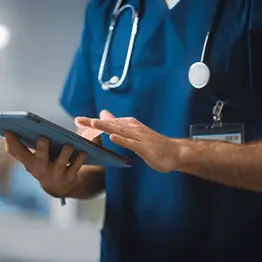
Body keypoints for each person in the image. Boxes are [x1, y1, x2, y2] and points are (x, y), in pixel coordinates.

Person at [4, 0, 262, 260]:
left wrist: (179, 153)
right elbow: (100, 163)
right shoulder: (106, 11)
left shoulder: (248, 10)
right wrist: (62, 181)